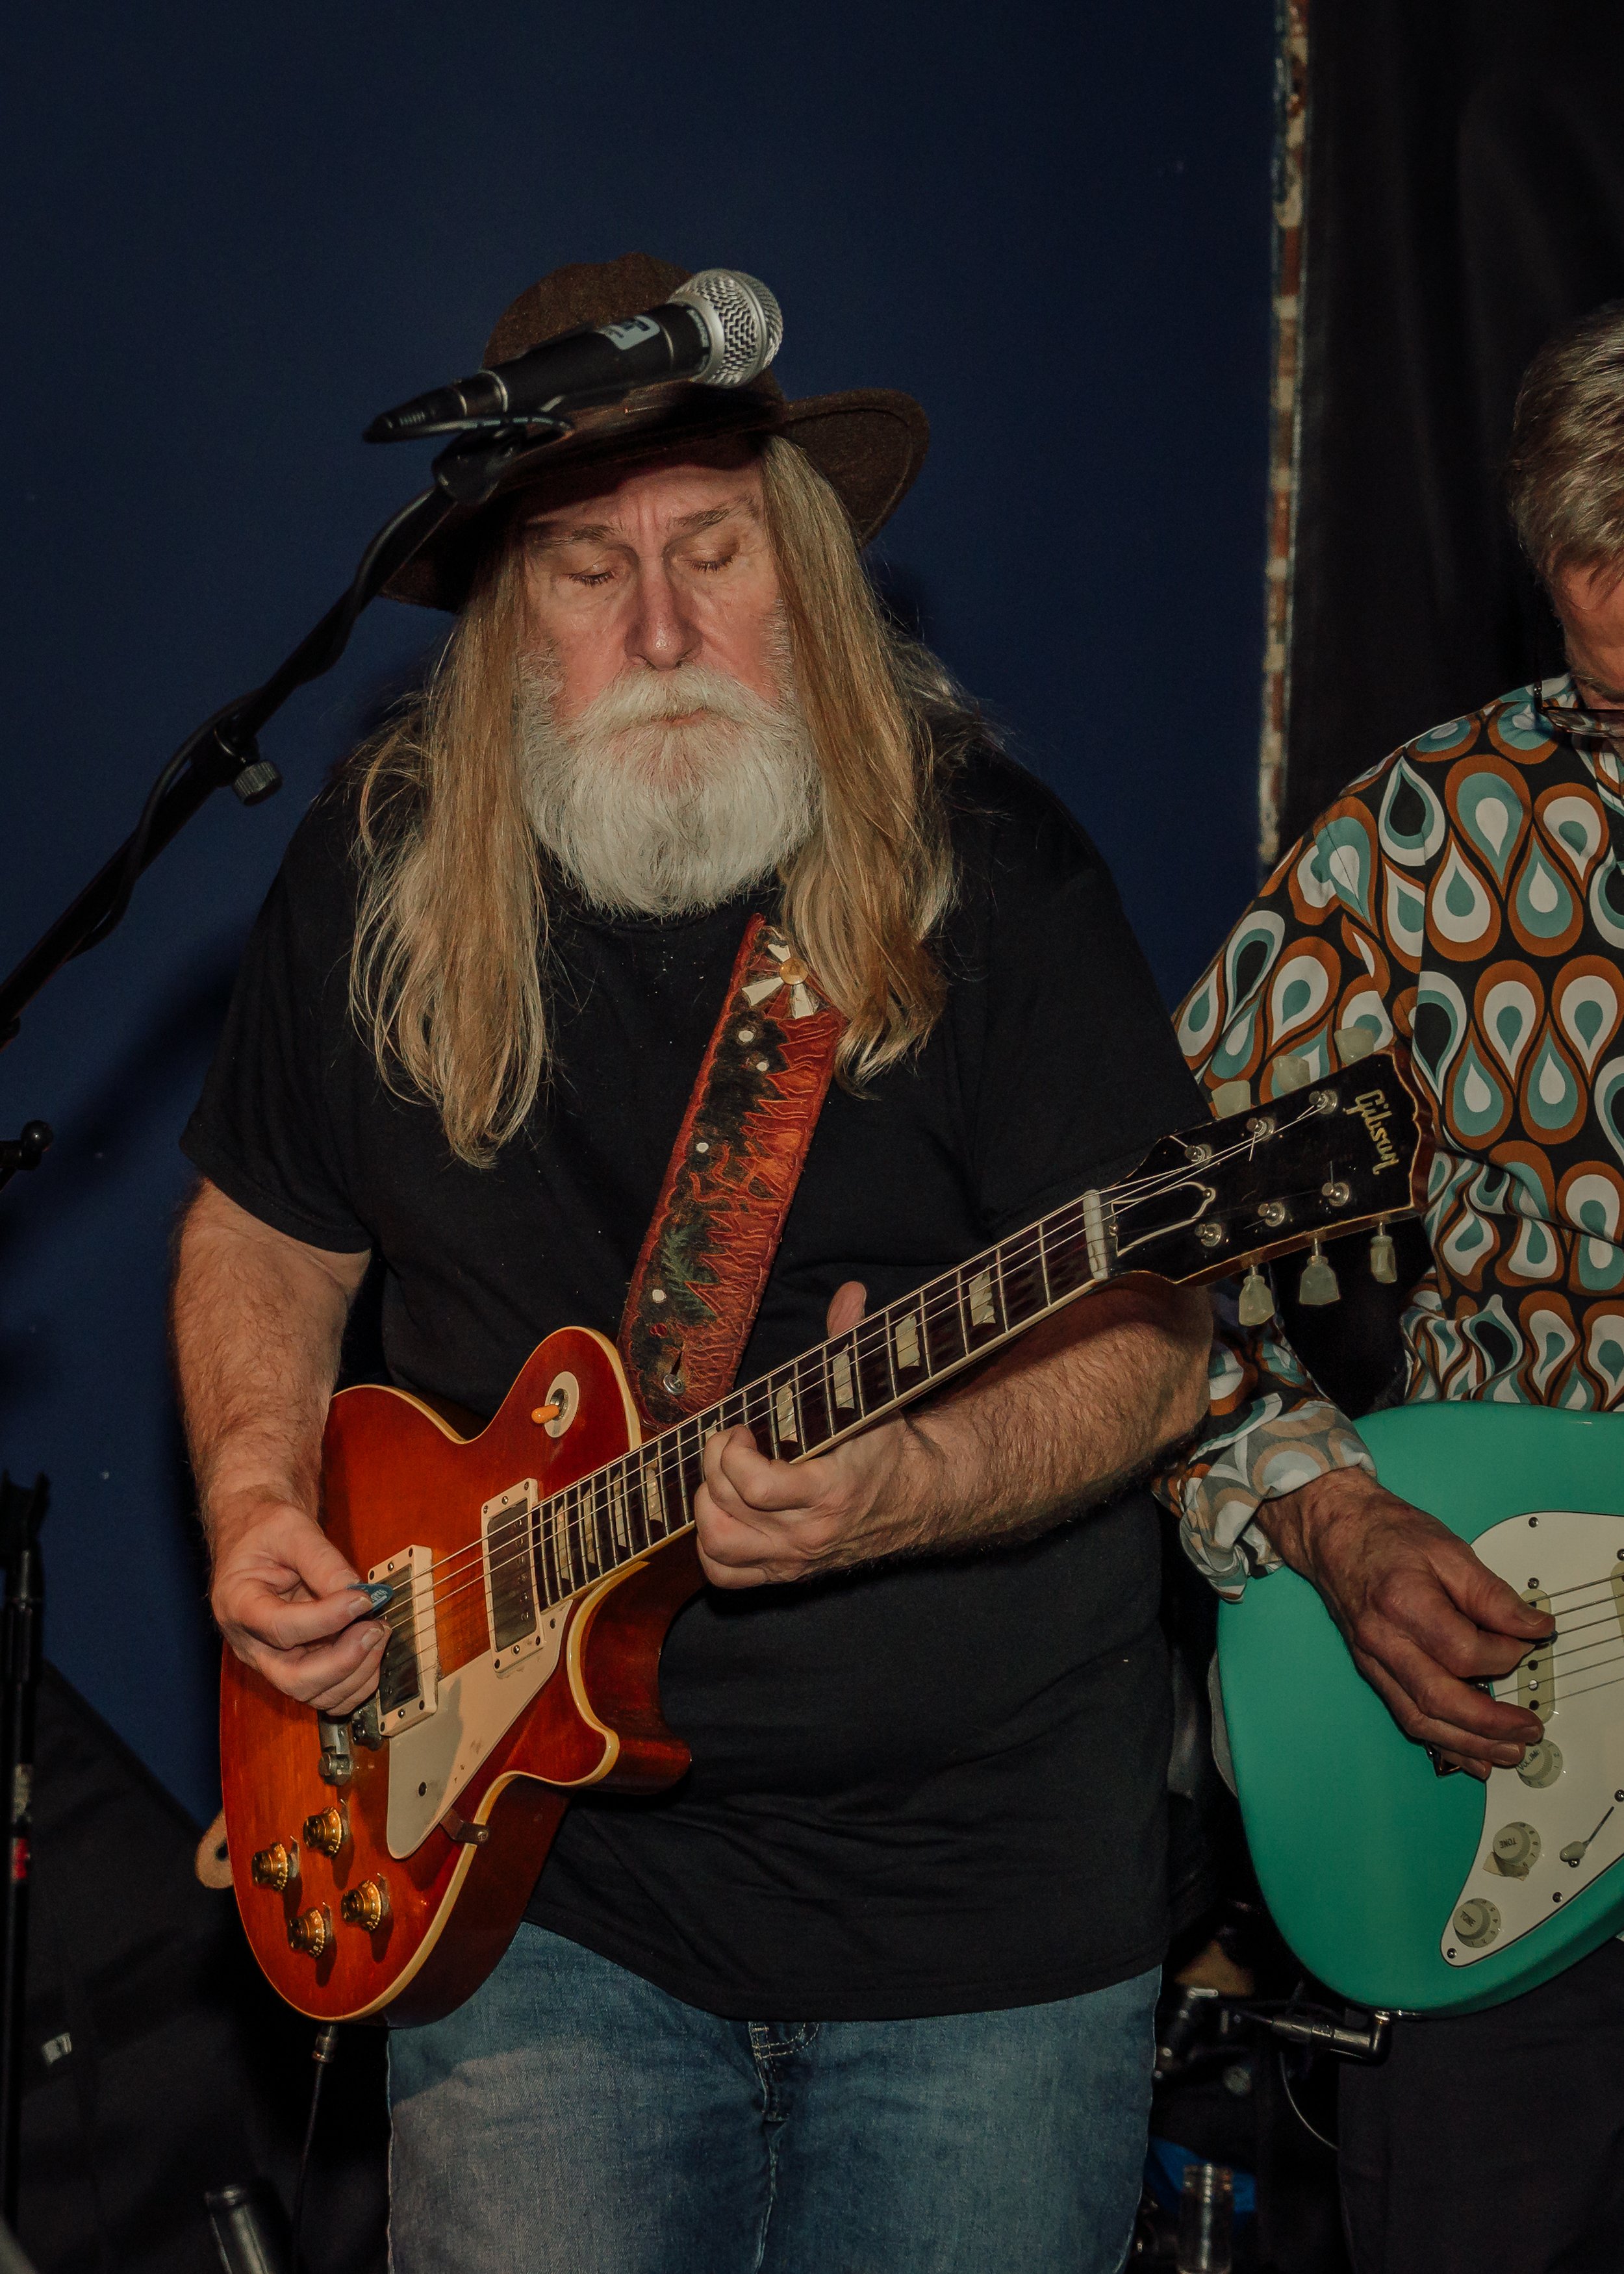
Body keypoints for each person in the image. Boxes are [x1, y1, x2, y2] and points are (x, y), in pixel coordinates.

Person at [170, 253, 1238, 2274]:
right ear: (506, 615)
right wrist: (246, 1498)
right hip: (527, 1881)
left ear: (806, 573)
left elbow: (1155, 1338)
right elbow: (266, 1223)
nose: (660, 628)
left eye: (715, 554)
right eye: (587, 569)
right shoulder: (376, 872)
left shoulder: (993, 873)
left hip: (974, 1910)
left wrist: (920, 1479)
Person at [1168, 299, 1624, 2273]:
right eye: (1593, 583)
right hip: (1518, 1740)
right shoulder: (1433, 841)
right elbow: (1133, 1252)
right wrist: (1325, 1511)